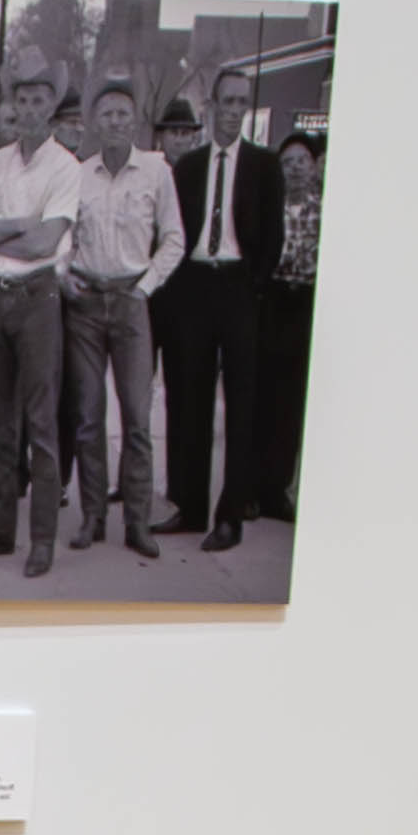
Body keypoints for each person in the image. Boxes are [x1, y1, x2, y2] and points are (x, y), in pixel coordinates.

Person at [0, 67, 81, 573]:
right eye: (22, 99)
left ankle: (43, 540)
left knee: (41, 423)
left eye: (38, 100)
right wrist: (14, 227)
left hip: (37, 299)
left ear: (51, 107)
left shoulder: (65, 167)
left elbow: (44, 244)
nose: (29, 109)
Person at [56, 78, 179, 560]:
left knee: (137, 420)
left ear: (136, 121)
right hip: (86, 304)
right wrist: (64, 275)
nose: (115, 122)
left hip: (132, 301)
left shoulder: (155, 173)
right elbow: (62, 236)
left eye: (123, 114)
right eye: (106, 114)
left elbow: (174, 239)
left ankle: (137, 521)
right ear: (92, 122)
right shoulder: (77, 176)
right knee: (87, 418)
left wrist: (145, 287)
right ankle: (93, 517)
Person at [160, 62, 277, 547]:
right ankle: (189, 506)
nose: (232, 113)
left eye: (240, 104)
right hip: (194, 287)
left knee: (241, 403)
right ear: (210, 107)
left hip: (238, 287)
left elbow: (273, 238)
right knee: (190, 397)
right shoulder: (188, 167)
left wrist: (252, 285)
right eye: (225, 103)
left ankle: (230, 514)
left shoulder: (264, 166)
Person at [254, 126, 324, 523]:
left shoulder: (329, 207)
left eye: (302, 161)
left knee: (291, 402)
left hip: (306, 304)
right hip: (273, 301)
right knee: (260, 396)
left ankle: (276, 490)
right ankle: (248, 487)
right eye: (288, 163)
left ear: (315, 167)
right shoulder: (272, 205)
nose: (295, 169)